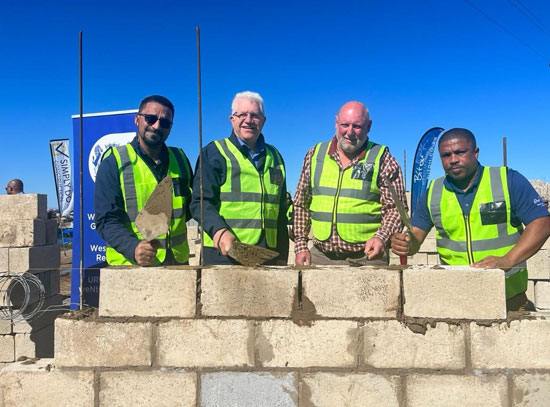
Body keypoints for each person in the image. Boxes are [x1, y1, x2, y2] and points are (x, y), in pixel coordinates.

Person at [391, 128, 550, 309]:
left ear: (476, 153)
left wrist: (508, 260)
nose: (453, 160)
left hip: (508, 300)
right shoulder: (434, 192)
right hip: (456, 300)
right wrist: (405, 243)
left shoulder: (507, 180)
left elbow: (542, 223)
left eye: (460, 152)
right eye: (446, 155)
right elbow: (415, 238)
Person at [294, 101, 406, 265]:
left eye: (357, 126)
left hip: (367, 258)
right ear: (336, 123)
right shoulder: (315, 155)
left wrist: (381, 238)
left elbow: (396, 209)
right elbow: (301, 203)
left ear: (369, 126)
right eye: (345, 125)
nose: (350, 132)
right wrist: (300, 245)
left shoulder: (383, 159)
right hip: (320, 257)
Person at [190, 91, 289, 265]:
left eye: (255, 115)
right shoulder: (214, 153)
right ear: (232, 119)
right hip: (224, 254)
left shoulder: (276, 157)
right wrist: (219, 231)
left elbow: (280, 211)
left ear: (263, 121)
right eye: (242, 114)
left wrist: (282, 255)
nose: (249, 120)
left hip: (267, 254)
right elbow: (200, 202)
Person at [94, 95, 193, 266]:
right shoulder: (115, 162)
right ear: (137, 119)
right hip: (132, 267)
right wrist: (133, 248)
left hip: (177, 264)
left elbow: (190, 208)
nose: (157, 126)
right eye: (151, 118)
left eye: (165, 123)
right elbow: (106, 220)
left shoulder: (181, 159)